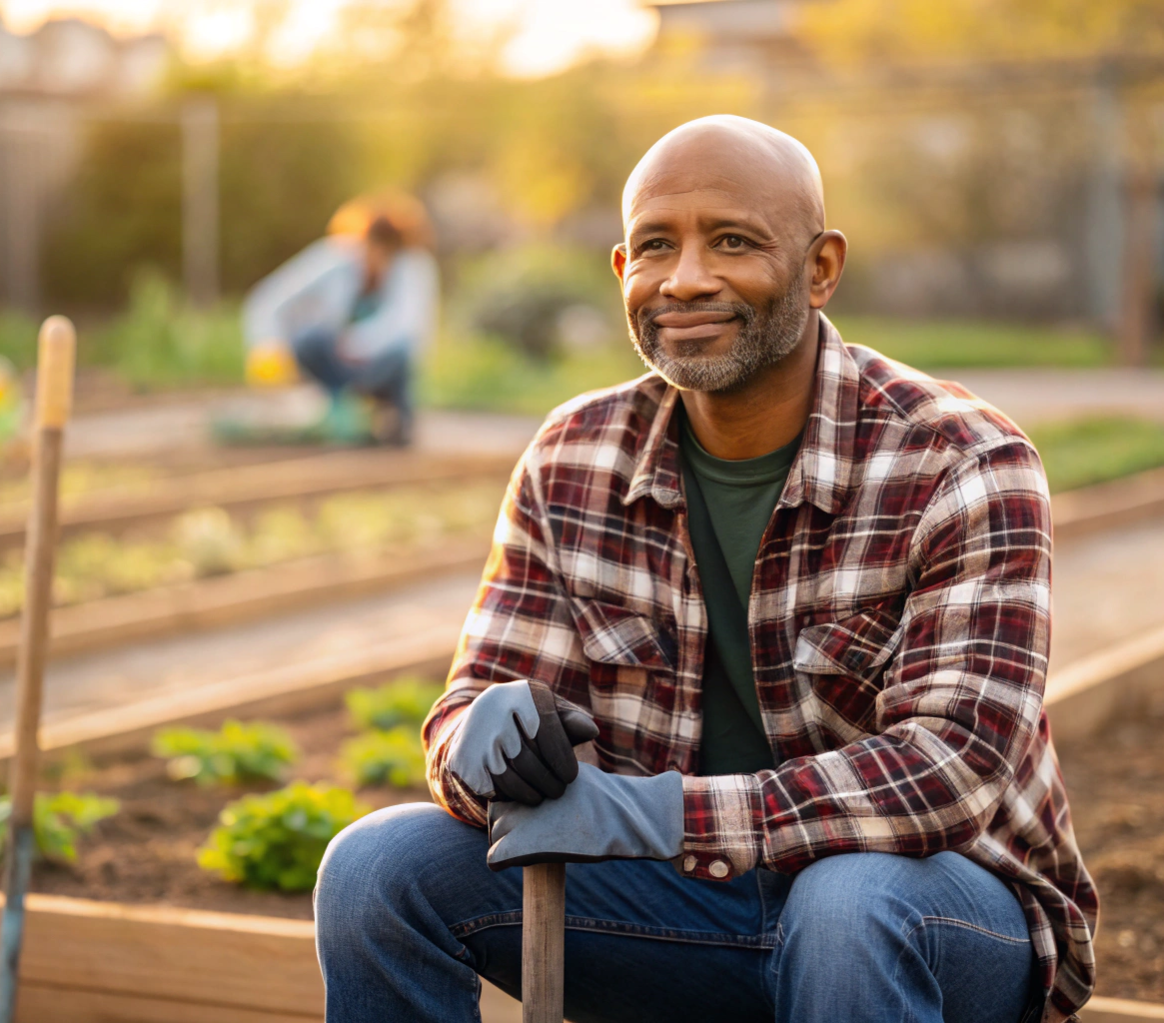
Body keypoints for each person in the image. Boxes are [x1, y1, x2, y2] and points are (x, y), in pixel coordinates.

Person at [314, 116, 1098, 1023]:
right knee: (379, 868)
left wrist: (654, 815)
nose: (686, 279)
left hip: (937, 916)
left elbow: (948, 770)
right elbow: (476, 696)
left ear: (821, 267)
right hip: (677, 904)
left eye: (733, 241)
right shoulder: (574, 454)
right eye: (657, 246)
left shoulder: (959, 460)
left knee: (847, 904)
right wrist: (476, 741)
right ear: (622, 273)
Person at [241, 195, 438, 444]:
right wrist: (267, 345)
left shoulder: (413, 268)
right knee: (311, 339)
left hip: (380, 366)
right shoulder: (336, 258)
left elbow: (408, 327)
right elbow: (268, 300)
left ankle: (395, 418)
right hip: (339, 367)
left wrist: (355, 345)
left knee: (402, 354)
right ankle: (341, 408)